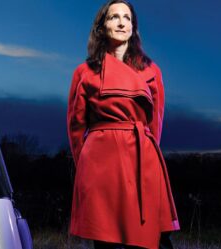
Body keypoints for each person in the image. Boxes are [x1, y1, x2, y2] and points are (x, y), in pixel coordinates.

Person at [67, 1, 180, 248]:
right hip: (101, 166)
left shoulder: (152, 70)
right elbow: (76, 127)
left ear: (133, 27)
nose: (121, 23)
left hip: (143, 158)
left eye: (127, 18)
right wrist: (86, 167)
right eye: (114, 17)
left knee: (156, 238)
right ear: (102, 26)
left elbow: (155, 123)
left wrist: (147, 155)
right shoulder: (84, 72)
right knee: (108, 239)